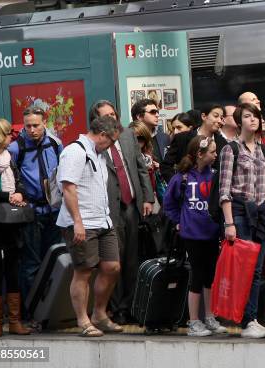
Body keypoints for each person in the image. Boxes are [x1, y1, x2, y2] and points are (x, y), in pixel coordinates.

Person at [56, 115, 123, 337]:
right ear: (102, 135)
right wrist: (77, 222)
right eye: (112, 141)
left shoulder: (99, 154)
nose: (113, 145)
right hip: (82, 222)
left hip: (102, 220)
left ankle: (99, 314)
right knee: (83, 271)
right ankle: (83, 320)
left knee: (112, 267)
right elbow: (68, 188)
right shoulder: (75, 152)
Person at [89, 100, 155, 325]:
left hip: (132, 205)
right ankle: (117, 309)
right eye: (106, 116)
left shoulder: (127, 135)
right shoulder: (95, 143)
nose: (112, 119)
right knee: (112, 262)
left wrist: (148, 198)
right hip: (110, 209)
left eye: (113, 114)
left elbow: (140, 167)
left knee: (131, 260)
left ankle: (132, 307)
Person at [219, 102, 265, 338]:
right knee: (244, 268)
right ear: (238, 121)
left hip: (260, 213)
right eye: (247, 116)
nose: (253, 120)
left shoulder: (263, 150)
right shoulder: (230, 150)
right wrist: (229, 223)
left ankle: (252, 318)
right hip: (240, 212)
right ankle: (246, 320)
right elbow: (224, 190)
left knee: (256, 270)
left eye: (255, 116)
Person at [164, 135, 227, 337]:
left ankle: (209, 316)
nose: (216, 155)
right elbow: (169, 204)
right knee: (197, 275)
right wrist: (179, 221)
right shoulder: (181, 178)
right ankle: (193, 320)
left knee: (210, 275)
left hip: (211, 232)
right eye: (212, 152)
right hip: (192, 234)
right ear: (199, 154)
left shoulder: (215, 176)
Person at [8, 107, 63, 321]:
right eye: (28, 125)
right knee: (31, 263)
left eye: (36, 125)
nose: (31, 130)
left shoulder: (55, 144)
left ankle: (52, 309)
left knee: (56, 259)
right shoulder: (15, 148)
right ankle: (33, 313)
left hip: (54, 210)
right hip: (30, 211)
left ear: (44, 123)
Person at [0, 118, 31, 338]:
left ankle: (14, 321)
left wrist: (20, 192)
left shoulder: (10, 157)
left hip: (12, 222)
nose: (11, 137)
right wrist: (8, 196)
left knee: (14, 270)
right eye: (7, 134)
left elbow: (19, 180)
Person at [161, 104, 227, 182]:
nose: (219, 121)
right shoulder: (182, 138)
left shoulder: (223, 143)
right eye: (216, 116)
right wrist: (178, 183)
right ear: (204, 116)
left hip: (211, 190)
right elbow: (166, 166)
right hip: (186, 190)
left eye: (221, 117)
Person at [130, 99, 170, 164]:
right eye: (153, 112)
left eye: (157, 112)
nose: (157, 115)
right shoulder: (128, 138)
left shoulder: (165, 137)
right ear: (139, 116)